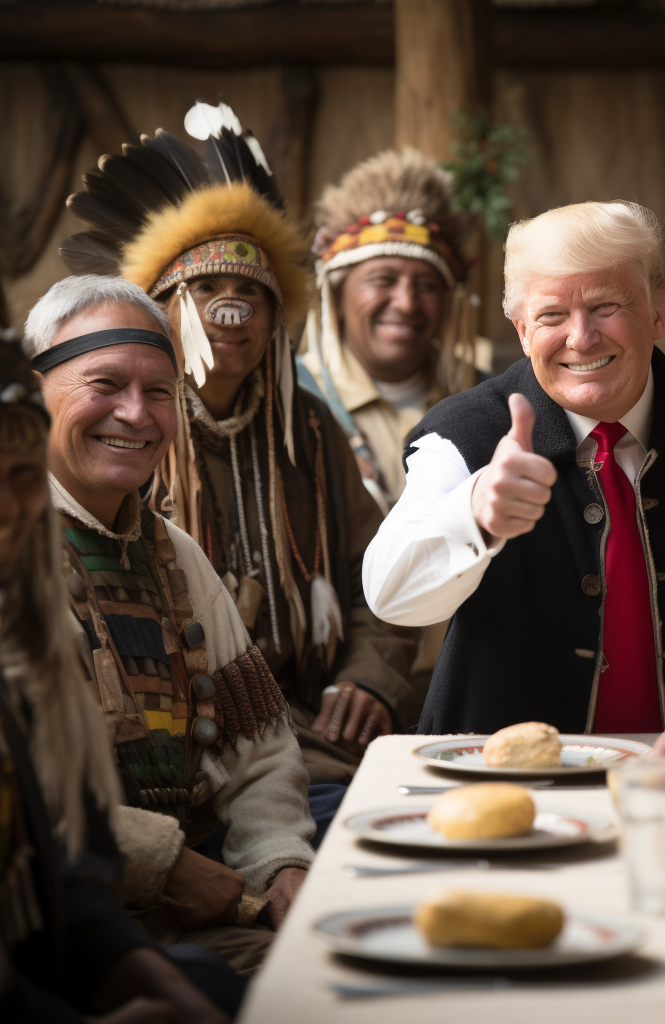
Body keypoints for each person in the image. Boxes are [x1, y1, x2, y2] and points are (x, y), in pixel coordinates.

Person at [59, 104, 418, 819]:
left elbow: (386, 571)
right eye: (207, 290)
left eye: (253, 292)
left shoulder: (307, 431)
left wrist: (370, 678)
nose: (233, 309)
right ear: (163, 310)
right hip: (177, 736)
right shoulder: (127, 433)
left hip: (309, 726)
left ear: (276, 317)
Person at [363, 200, 665, 744]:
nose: (581, 338)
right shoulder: (464, 434)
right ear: (521, 330)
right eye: (552, 315)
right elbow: (390, 595)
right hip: (497, 791)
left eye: (606, 306)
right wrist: (475, 513)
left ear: (659, 312)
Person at [25, 276, 316, 972]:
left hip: (191, 905)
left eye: (159, 391)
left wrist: (280, 863)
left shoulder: (173, 554)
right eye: (105, 384)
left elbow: (260, 749)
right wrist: (156, 862)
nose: (136, 413)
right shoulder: (16, 546)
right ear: (34, 393)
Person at [0, 337, 236, 1023]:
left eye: (20, 477)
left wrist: (137, 974)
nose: (10, 508)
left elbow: (61, 881)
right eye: (107, 385)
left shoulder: (22, 642)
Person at [300, 147, 481, 698]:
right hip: (340, 703)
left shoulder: (488, 404)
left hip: (469, 689)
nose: (406, 301)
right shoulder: (292, 405)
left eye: (427, 284)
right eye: (382, 279)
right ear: (335, 290)